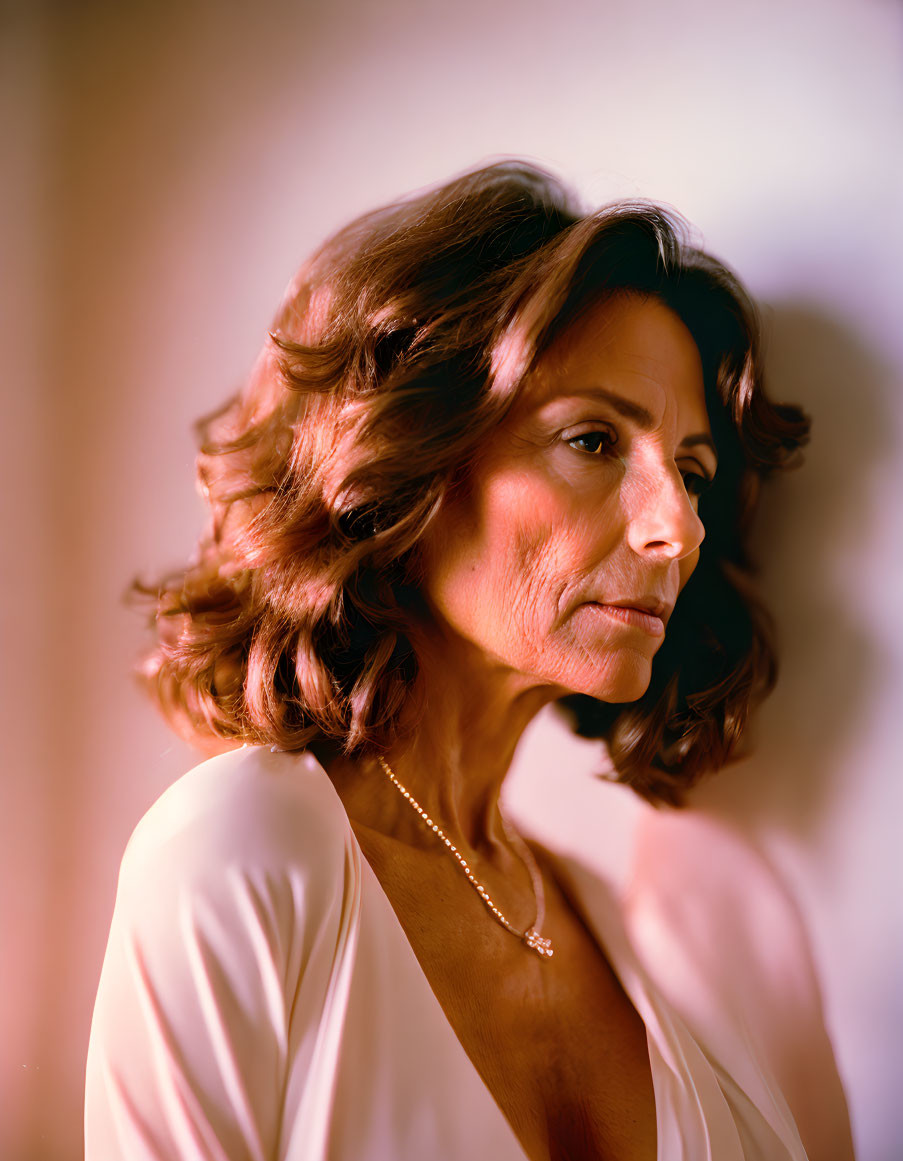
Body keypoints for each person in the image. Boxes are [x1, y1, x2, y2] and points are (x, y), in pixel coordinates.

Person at [85, 161, 855, 1160]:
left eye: (693, 471)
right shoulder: (242, 850)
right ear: (407, 462)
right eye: (592, 439)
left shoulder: (623, 932)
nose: (679, 528)